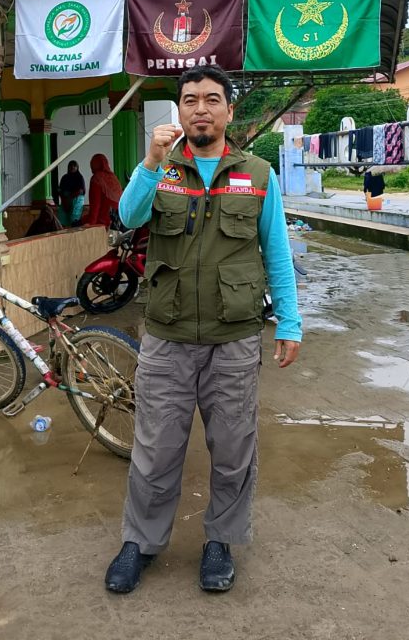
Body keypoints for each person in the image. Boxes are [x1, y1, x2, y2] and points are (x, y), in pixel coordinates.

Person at [104, 65, 302, 595]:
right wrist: (149, 162)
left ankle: (220, 541)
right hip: (167, 337)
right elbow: (127, 217)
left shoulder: (258, 174)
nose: (200, 109)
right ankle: (139, 543)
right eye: (190, 99)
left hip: (232, 336)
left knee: (234, 448)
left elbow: (277, 252)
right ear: (180, 110)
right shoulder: (162, 170)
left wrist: (290, 320)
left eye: (212, 99)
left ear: (228, 111)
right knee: (155, 449)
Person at [83, 153, 122, 227]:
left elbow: (95, 205)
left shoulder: (97, 179)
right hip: (118, 222)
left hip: (102, 222)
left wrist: (90, 224)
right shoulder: (114, 178)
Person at [58, 160, 86, 227]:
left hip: (76, 199)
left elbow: (81, 191)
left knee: (74, 219)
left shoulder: (79, 177)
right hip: (65, 200)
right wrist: (64, 200)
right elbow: (60, 190)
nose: (72, 167)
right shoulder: (65, 177)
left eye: (74, 165)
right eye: (70, 165)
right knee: (62, 219)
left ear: (77, 167)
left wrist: (70, 197)